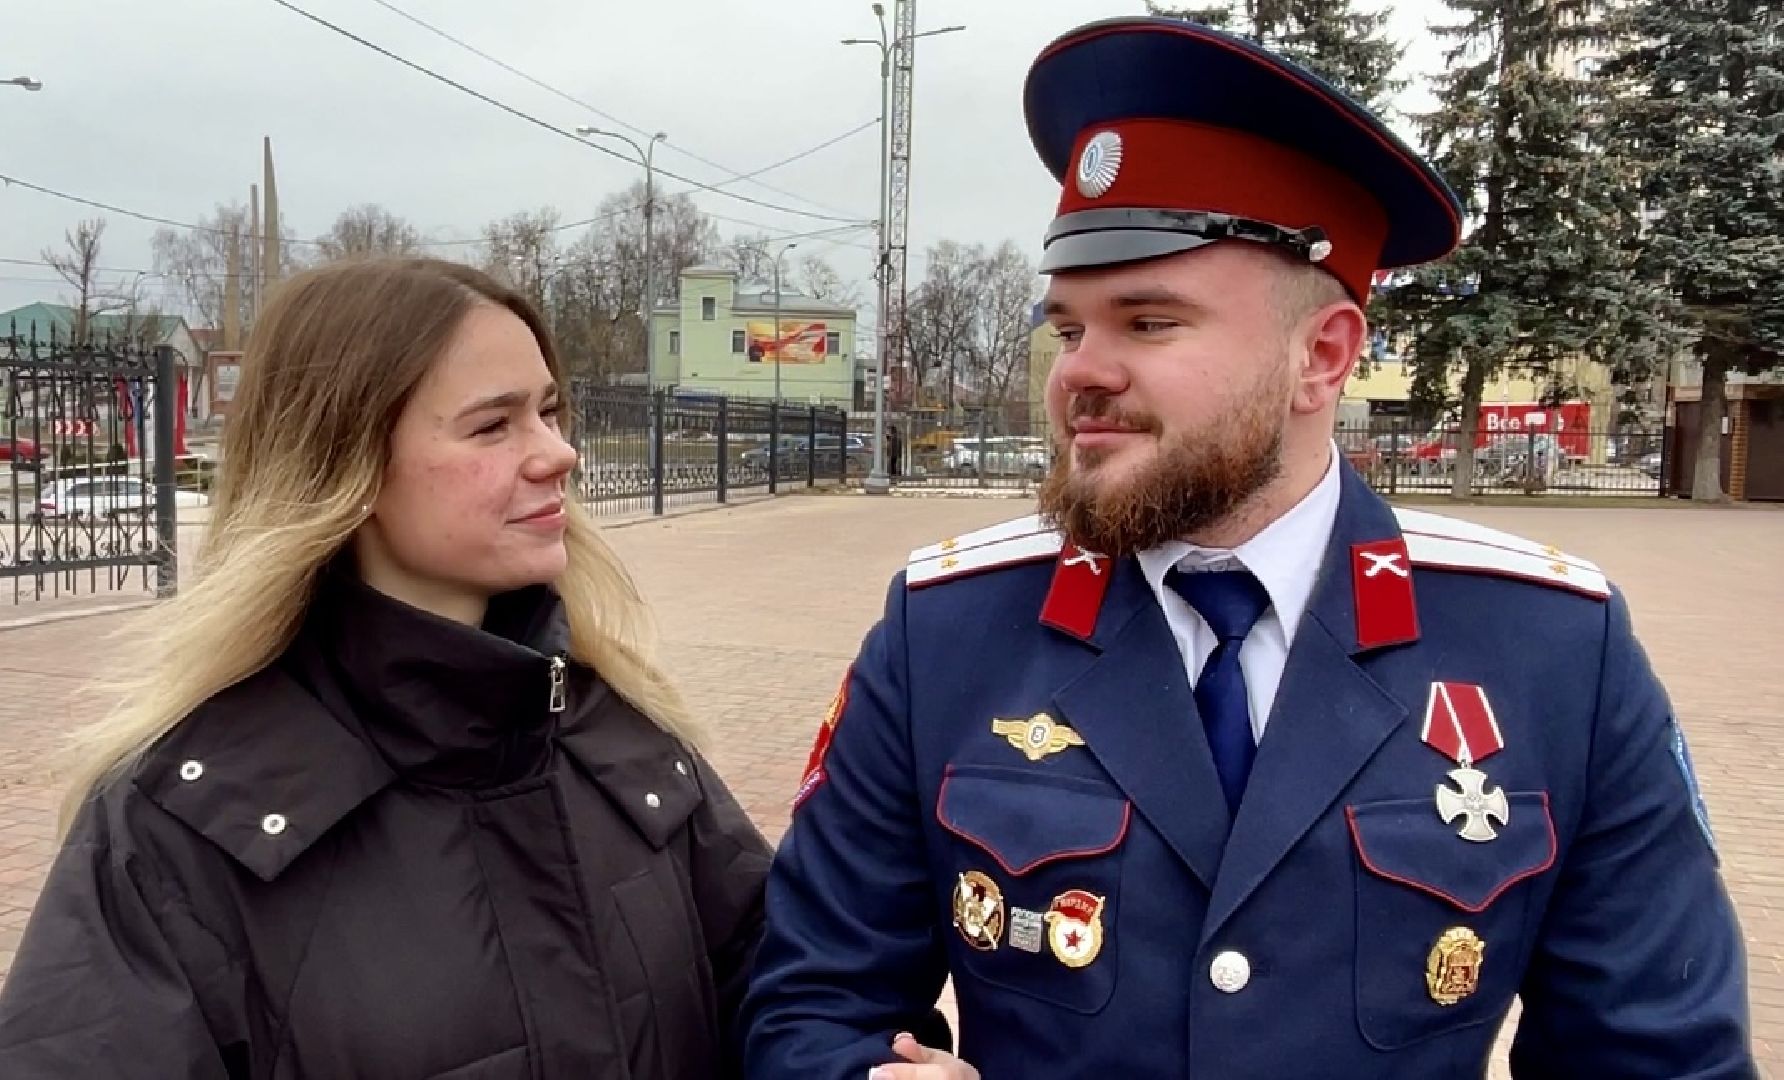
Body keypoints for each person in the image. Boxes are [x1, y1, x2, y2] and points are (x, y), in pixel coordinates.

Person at [741, 16, 1756, 1079]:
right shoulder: (944, 630)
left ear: (1319, 357)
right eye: (1070, 325)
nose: (1078, 370)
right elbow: (814, 999)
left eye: (1147, 322)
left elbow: (1657, 1055)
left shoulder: (1550, 649)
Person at [0, 257, 774, 1078]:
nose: (560, 454)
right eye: (493, 426)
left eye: (549, 412)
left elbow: (796, 992)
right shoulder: (178, 828)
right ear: (346, 465)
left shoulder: (621, 741)